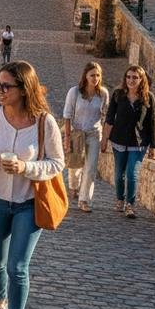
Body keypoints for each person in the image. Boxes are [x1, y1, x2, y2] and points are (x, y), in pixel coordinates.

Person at [0, 61, 65, 309]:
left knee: (17, 266)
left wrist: (26, 167)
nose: (0, 91)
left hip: (28, 203)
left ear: (24, 89)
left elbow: (57, 163)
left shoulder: (44, 122)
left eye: (7, 86)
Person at [101, 65, 155, 218]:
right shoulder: (118, 94)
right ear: (125, 78)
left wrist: (154, 145)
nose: (131, 80)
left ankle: (130, 205)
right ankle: (120, 199)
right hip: (119, 140)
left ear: (141, 79)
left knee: (132, 173)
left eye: (135, 77)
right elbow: (109, 118)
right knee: (119, 174)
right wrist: (104, 139)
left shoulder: (148, 97)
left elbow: (153, 121)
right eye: (128, 77)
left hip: (139, 142)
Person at [63, 62, 109, 213]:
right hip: (77, 133)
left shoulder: (103, 94)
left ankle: (84, 200)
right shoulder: (74, 92)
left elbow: (105, 117)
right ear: (85, 76)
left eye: (98, 75)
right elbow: (67, 115)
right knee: (75, 165)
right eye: (92, 75)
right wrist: (67, 138)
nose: (95, 78)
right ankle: (73, 187)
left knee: (90, 169)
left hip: (94, 134)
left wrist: (105, 138)